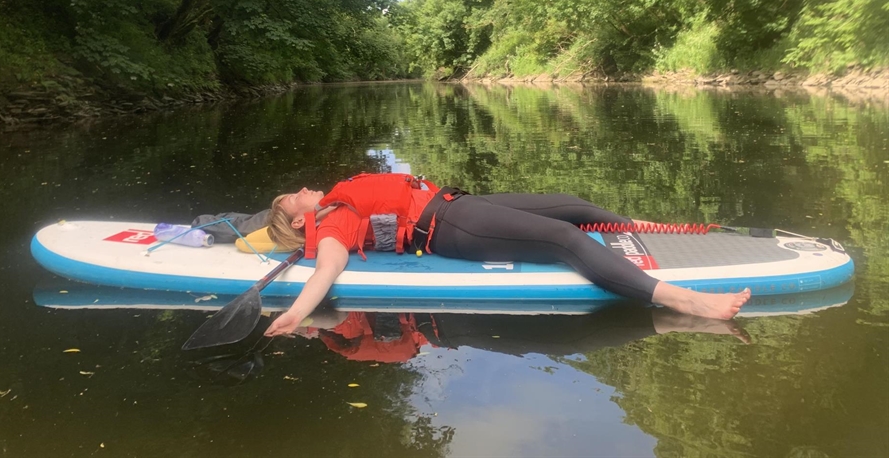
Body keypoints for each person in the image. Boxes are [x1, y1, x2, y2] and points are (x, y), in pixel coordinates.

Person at [262, 173, 751, 336]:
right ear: (301, 220)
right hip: (450, 225)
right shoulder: (333, 221)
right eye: (293, 198)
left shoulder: (329, 203)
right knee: (565, 237)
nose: (303, 189)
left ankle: (653, 228)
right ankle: (684, 301)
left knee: (574, 206)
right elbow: (327, 268)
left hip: (458, 203)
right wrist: (299, 313)